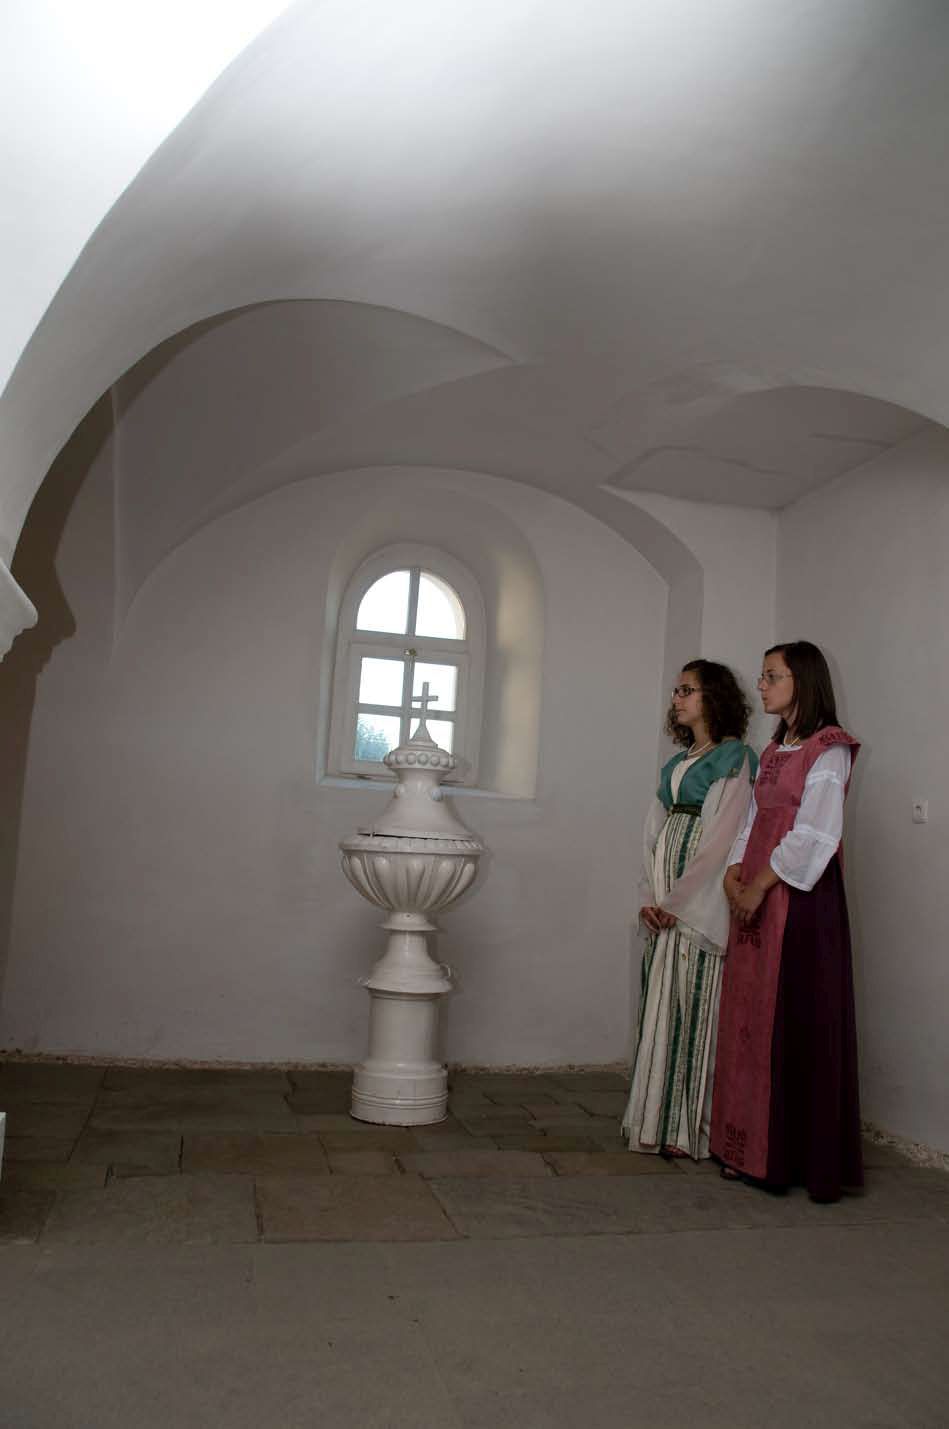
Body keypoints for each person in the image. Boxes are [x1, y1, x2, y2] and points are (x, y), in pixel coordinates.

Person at [711, 641, 862, 1202]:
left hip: (798, 902)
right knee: (748, 1019)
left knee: (790, 1019)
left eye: (772, 676)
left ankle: (783, 1156)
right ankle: (741, 1145)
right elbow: (754, 819)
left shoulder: (829, 748)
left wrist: (759, 885)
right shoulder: (774, 749)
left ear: (803, 680)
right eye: (763, 675)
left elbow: (817, 833)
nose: (762, 685)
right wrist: (734, 872)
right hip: (756, 892)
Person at [622, 660, 758, 1161]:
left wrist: (678, 902)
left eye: (687, 690)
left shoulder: (734, 757)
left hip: (696, 903)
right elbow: (651, 835)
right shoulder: (677, 764)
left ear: (713, 697)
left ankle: (687, 1128)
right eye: (676, 690)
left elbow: (721, 839)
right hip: (665, 901)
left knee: (694, 1006)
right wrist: (648, 897)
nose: (677, 698)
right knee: (660, 1006)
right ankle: (654, 1121)